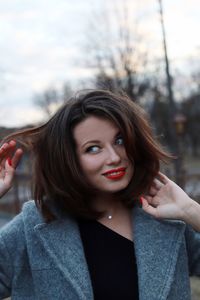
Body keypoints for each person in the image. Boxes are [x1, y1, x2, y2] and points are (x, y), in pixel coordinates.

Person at [0, 89, 199, 300]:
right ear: (69, 160)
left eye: (120, 141)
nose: (114, 157)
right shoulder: (35, 224)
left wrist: (191, 210)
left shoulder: (165, 218)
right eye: (93, 149)